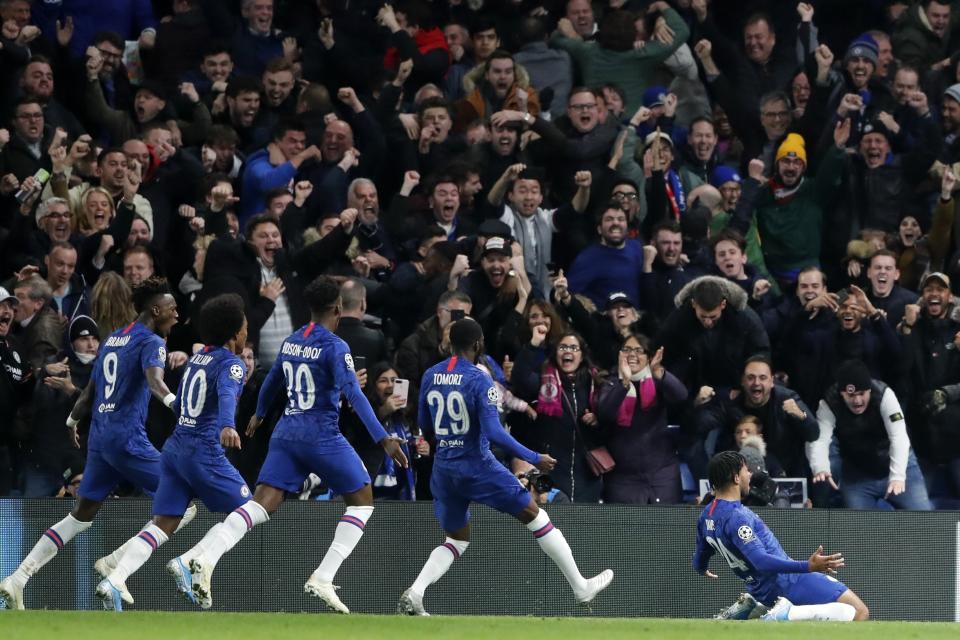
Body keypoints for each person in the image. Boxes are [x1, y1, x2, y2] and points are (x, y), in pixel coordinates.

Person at [168, 276, 408, 614]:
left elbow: (273, 380)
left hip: (285, 433)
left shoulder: (292, 341)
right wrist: (383, 439)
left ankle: (203, 557)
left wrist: (260, 414)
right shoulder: (336, 346)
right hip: (321, 434)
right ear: (338, 308)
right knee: (363, 501)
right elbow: (353, 394)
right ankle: (323, 576)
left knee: (261, 504)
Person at [0, 278, 194, 610]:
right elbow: (155, 381)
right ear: (156, 309)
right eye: (173, 308)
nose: (177, 314)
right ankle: (116, 569)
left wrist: (72, 422)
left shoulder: (114, 339)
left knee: (81, 515)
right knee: (185, 502)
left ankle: (16, 579)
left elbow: (90, 393)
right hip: (127, 439)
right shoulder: (152, 341)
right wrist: (181, 406)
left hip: (100, 440)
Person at [396, 318, 613, 616]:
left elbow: (423, 423)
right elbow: (496, 432)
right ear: (477, 344)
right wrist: (535, 457)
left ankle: (416, 592)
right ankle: (579, 586)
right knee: (536, 516)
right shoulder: (479, 378)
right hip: (478, 466)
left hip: (444, 469)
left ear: (448, 345)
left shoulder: (431, 375)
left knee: (457, 539)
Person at [94, 294, 251, 610]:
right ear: (235, 334)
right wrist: (227, 425)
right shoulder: (232, 364)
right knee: (248, 510)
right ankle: (195, 561)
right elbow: (226, 393)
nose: (248, 332)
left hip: (174, 449)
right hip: (203, 452)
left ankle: (114, 578)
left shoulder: (198, 357)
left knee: (164, 522)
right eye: (246, 326)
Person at [693, 451, 869, 622]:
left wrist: (702, 568)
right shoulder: (736, 516)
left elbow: (701, 555)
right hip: (786, 581)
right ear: (736, 477)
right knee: (859, 612)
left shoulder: (707, 514)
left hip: (759, 589)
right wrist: (808, 566)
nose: (750, 474)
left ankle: (754, 605)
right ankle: (786, 613)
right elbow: (761, 561)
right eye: (746, 470)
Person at [809, 360, 933, 511]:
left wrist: (898, 476)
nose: (857, 401)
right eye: (851, 395)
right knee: (861, 530)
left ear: (869, 390)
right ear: (841, 393)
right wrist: (820, 466)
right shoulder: (828, 402)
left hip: (901, 467)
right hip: (857, 474)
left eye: (861, 394)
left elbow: (899, 436)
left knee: (925, 518)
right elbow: (820, 439)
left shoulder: (884, 395)